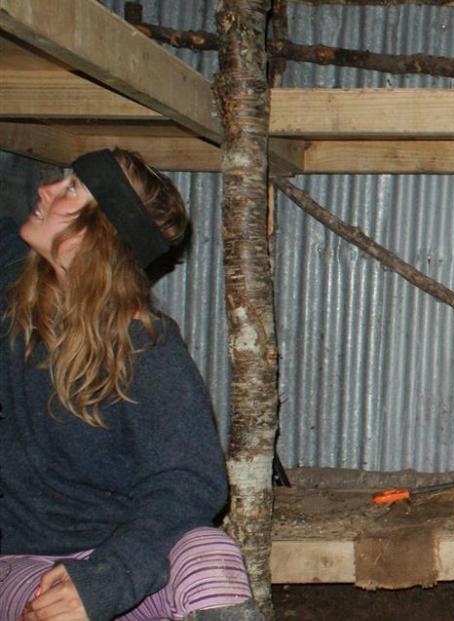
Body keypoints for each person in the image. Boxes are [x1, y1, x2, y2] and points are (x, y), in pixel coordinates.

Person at [0, 149, 263, 621]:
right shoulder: (9, 290)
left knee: (210, 554)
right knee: (44, 607)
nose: (45, 190)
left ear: (101, 233)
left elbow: (188, 481)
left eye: (72, 189)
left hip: (125, 556)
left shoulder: (145, 344)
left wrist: (107, 579)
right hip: (23, 555)